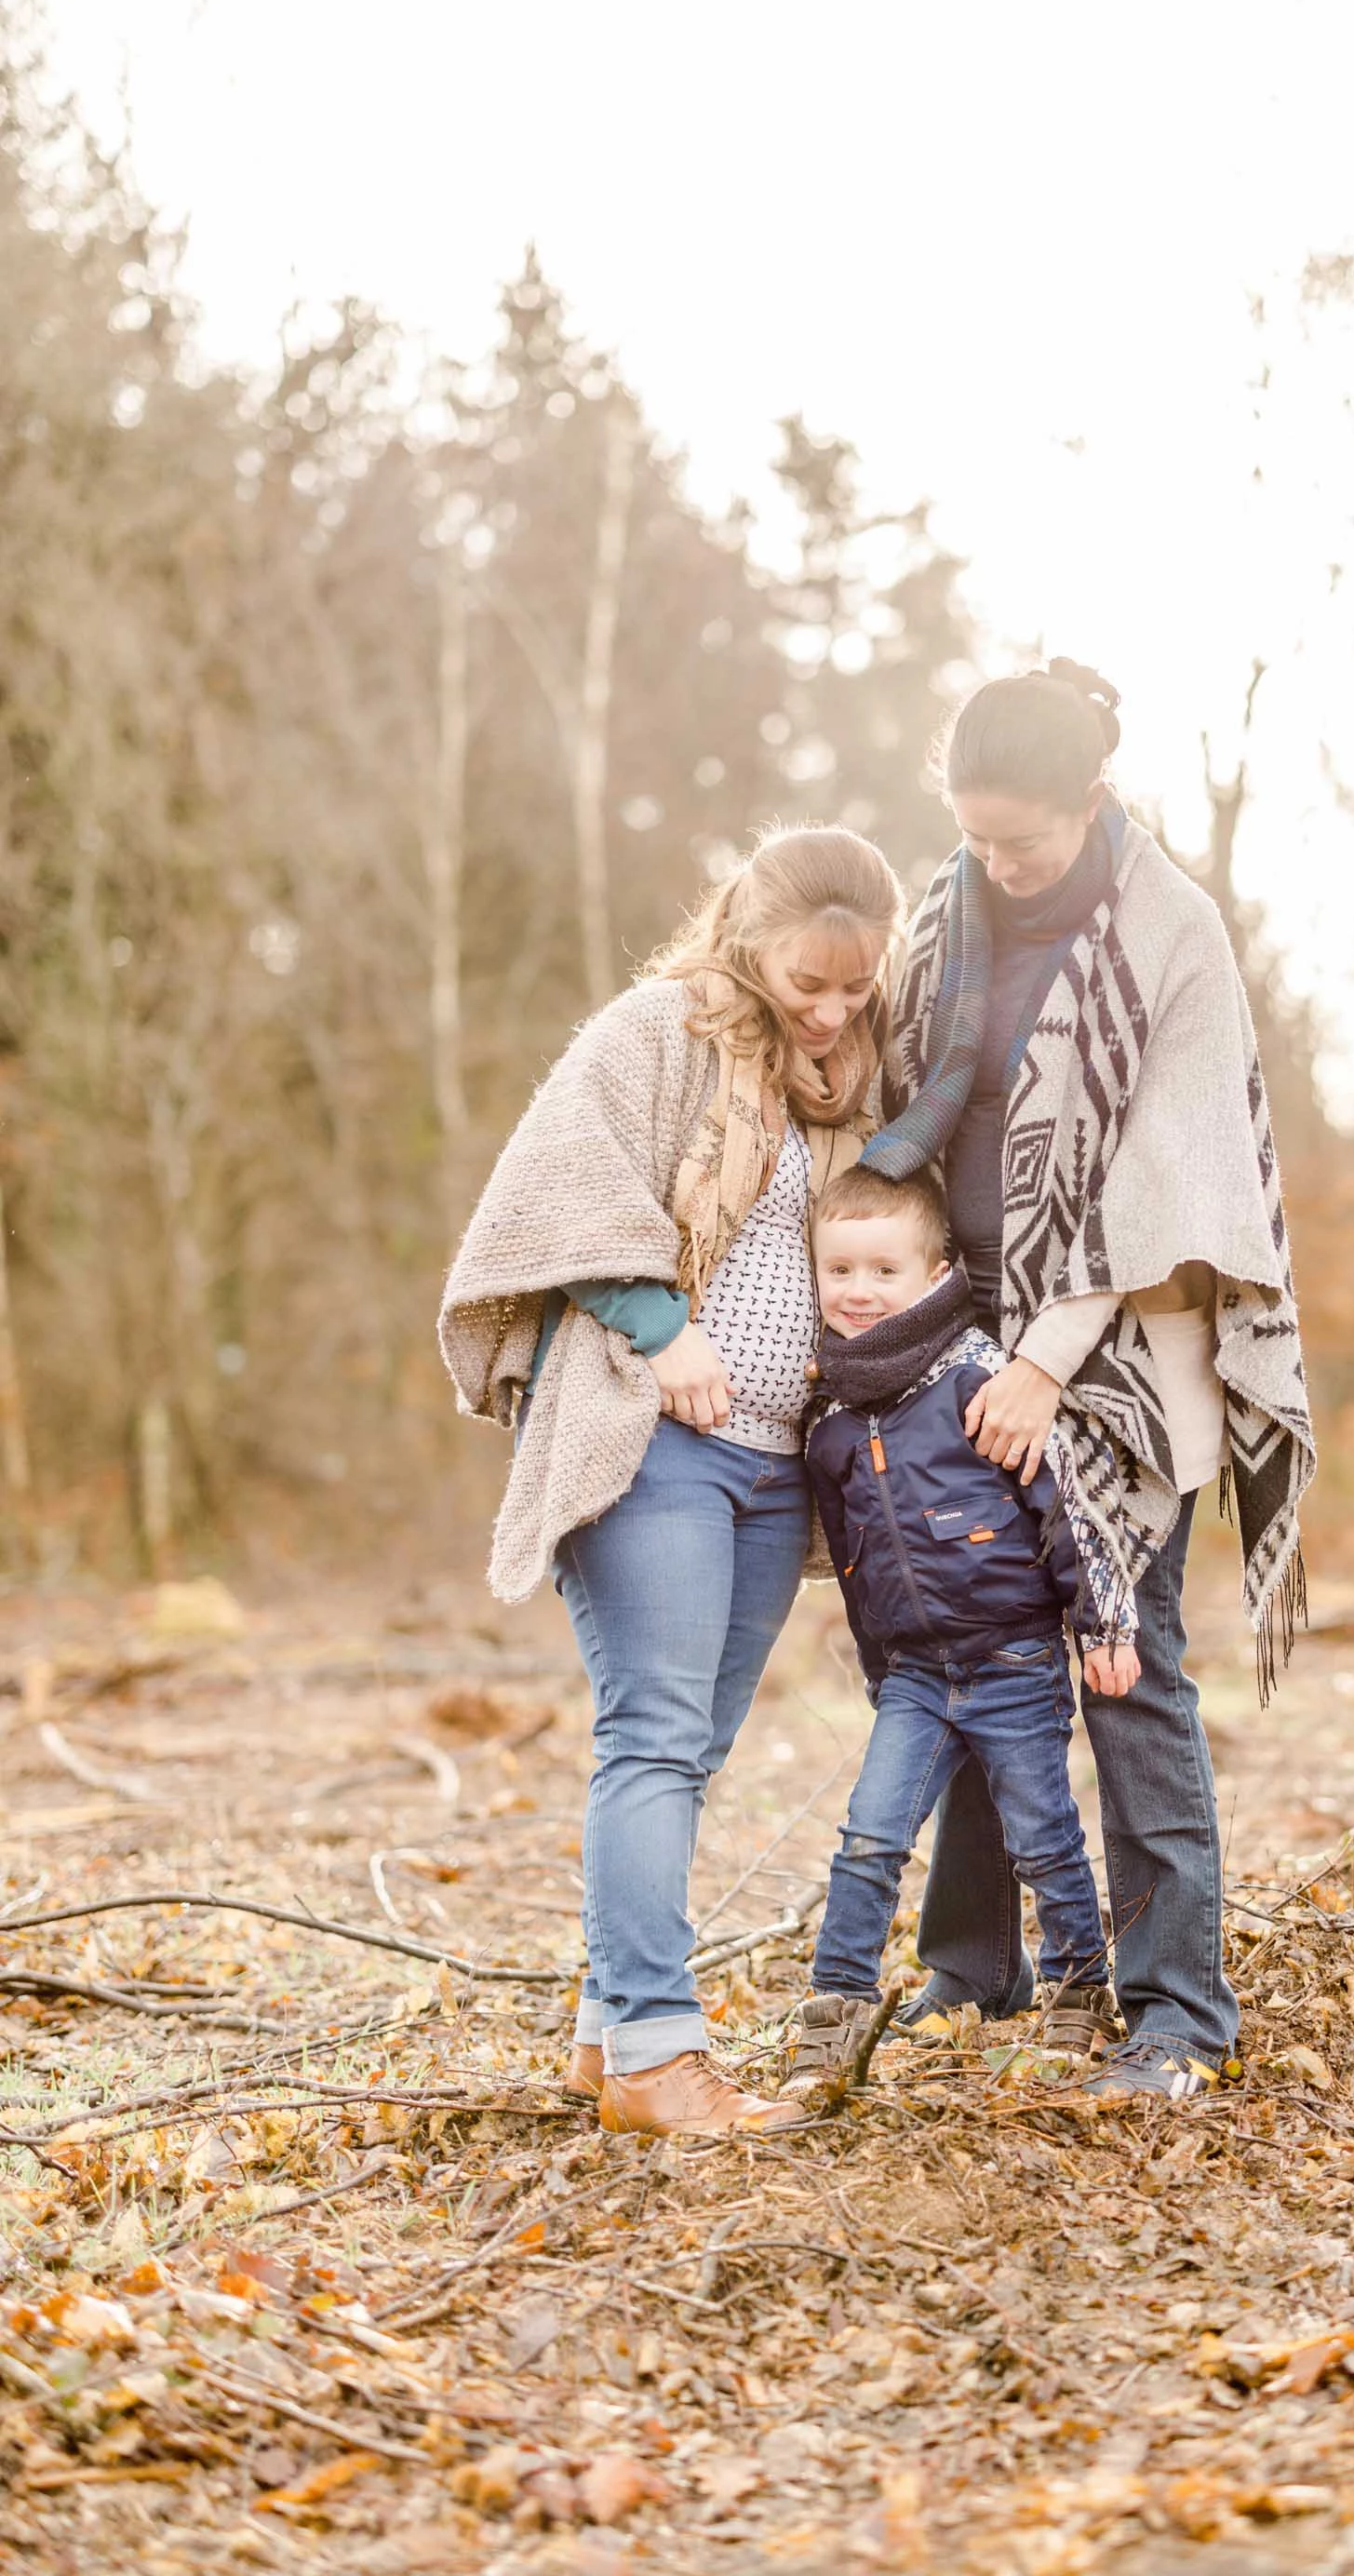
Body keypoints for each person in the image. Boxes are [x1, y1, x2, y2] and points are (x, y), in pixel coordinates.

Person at [860, 661, 1316, 2108]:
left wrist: (1049, 1365)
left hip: (1123, 1365)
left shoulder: (1171, 932)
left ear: (1091, 799)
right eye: (977, 836)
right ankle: (975, 1963)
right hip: (961, 1347)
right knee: (980, 1651)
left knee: (1130, 1674)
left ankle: (1177, 2007)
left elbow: (1171, 1177)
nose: (998, 864)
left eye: (1023, 841)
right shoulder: (947, 916)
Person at [439, 824, 905, 2139]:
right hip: (652, 1440)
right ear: (749, 943)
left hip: (774, 1469)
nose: (826, 1010)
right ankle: (657, 2054)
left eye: (853, 988)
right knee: (650, 1736)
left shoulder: (860, 1084)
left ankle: (604, 2038)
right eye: (805, 983)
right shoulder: (660, 1033)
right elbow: (556, 1196)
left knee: (691, 1752)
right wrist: (662, 1329)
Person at [784, 1165, 1140, 2094]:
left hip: (1013, 1657)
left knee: (1043, 1837)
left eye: (883, 1270)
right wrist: (877, 1668)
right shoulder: (829, 1415)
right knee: (870, 1835)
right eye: (840, 1270)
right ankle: (838, 2005)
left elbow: (1065, 1505)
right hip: (912, 1675)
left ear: (936, 1272)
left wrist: (1101, 1623)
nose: (859, 1291)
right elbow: (859, 1570)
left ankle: (1076, 1988)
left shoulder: (979, 1377)